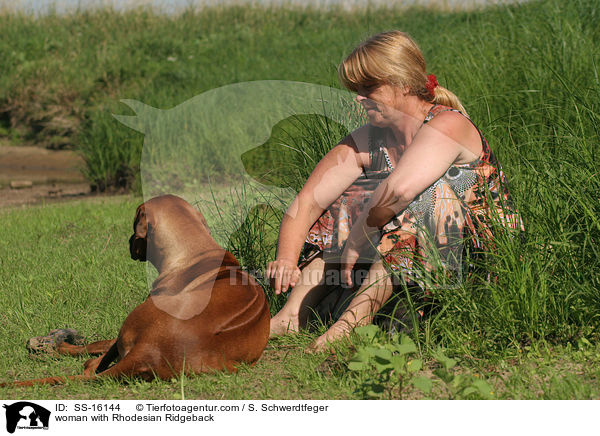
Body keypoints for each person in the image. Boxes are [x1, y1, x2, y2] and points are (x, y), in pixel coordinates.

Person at [266, 30, 523, 351]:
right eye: (356, 88)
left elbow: (400, 190)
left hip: (478, 261)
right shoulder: (368, 139)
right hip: (402, 262)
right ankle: (292, 315)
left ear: (404, 83)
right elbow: (306, 202)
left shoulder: (447, 124)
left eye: (369, 87)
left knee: (420, 199)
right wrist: (286, 259)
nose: (359, 97)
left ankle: (351, 323)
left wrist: (356, 241)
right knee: (345, 203)